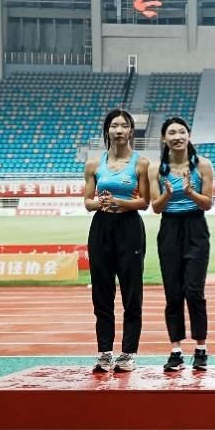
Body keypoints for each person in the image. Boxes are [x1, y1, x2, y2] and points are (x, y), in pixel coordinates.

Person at [83, 109, 151, 373]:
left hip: (129, 228)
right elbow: (87, 202)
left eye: (124, 126)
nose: (119, 130)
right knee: (102, 293)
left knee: (132, 293)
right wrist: (100, 203)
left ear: (131, 130)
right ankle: (104, 353)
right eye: (114, 126)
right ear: (107, 130)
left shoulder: (141, 163)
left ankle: (128, 354)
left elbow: (144, 202)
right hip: (101, 228)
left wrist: (120, 202)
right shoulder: (93, 164)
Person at [149, 117, 215, 372]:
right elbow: (156, 208)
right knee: (173, 292)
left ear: (189, 135)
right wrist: (168, 194)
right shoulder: (157, 169)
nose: (177, 136)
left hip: (196, 227)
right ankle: (176, 350)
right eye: (172, 133)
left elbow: (207, 203)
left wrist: (190, 193)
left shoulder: (203, 165)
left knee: (194, 291)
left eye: (182, 132)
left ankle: (201, 348)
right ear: (164, 138)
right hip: (169, 228)